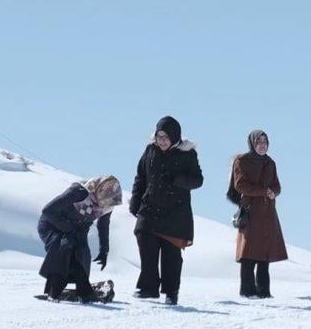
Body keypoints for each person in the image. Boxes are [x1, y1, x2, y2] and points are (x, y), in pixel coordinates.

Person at [130, 116, 204, 305]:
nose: (161, 140)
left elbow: (198, 180)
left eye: (165, 137)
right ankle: (148, 288)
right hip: (150, 207)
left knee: (171, 254)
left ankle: (171, 292)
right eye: (159, 136)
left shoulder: (187, 154)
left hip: (175, 212)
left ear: (175, 136)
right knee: (145, 242)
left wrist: (176, 179)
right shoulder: (150, 151)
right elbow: (140, 177)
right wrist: (135, 201)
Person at [37, 175, 122, 303]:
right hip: (52, 224)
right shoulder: (79, 192)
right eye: (103, 200)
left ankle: (83, 291)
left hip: (77, 229)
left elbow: (103, 227)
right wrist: (69, 228)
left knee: (83, 254)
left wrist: (104, 250)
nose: (103, 205)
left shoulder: (109, 204)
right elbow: (48, 211)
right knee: (63, 248)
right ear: (98, 190)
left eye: (108, 202)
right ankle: (54, 290)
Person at [231, 130, 288, 298]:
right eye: (259, 142)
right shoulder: (242, 161)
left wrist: (274, 193)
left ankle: (264, 291)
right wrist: (264, 191)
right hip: (250, 211)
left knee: (265, 252)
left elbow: (277, 185)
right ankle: (247, 291)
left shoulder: (270, 163)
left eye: (265, 141)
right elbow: (240, 185)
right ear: (252, 143)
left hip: (268, 212)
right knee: (248, 252)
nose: (262, 145)